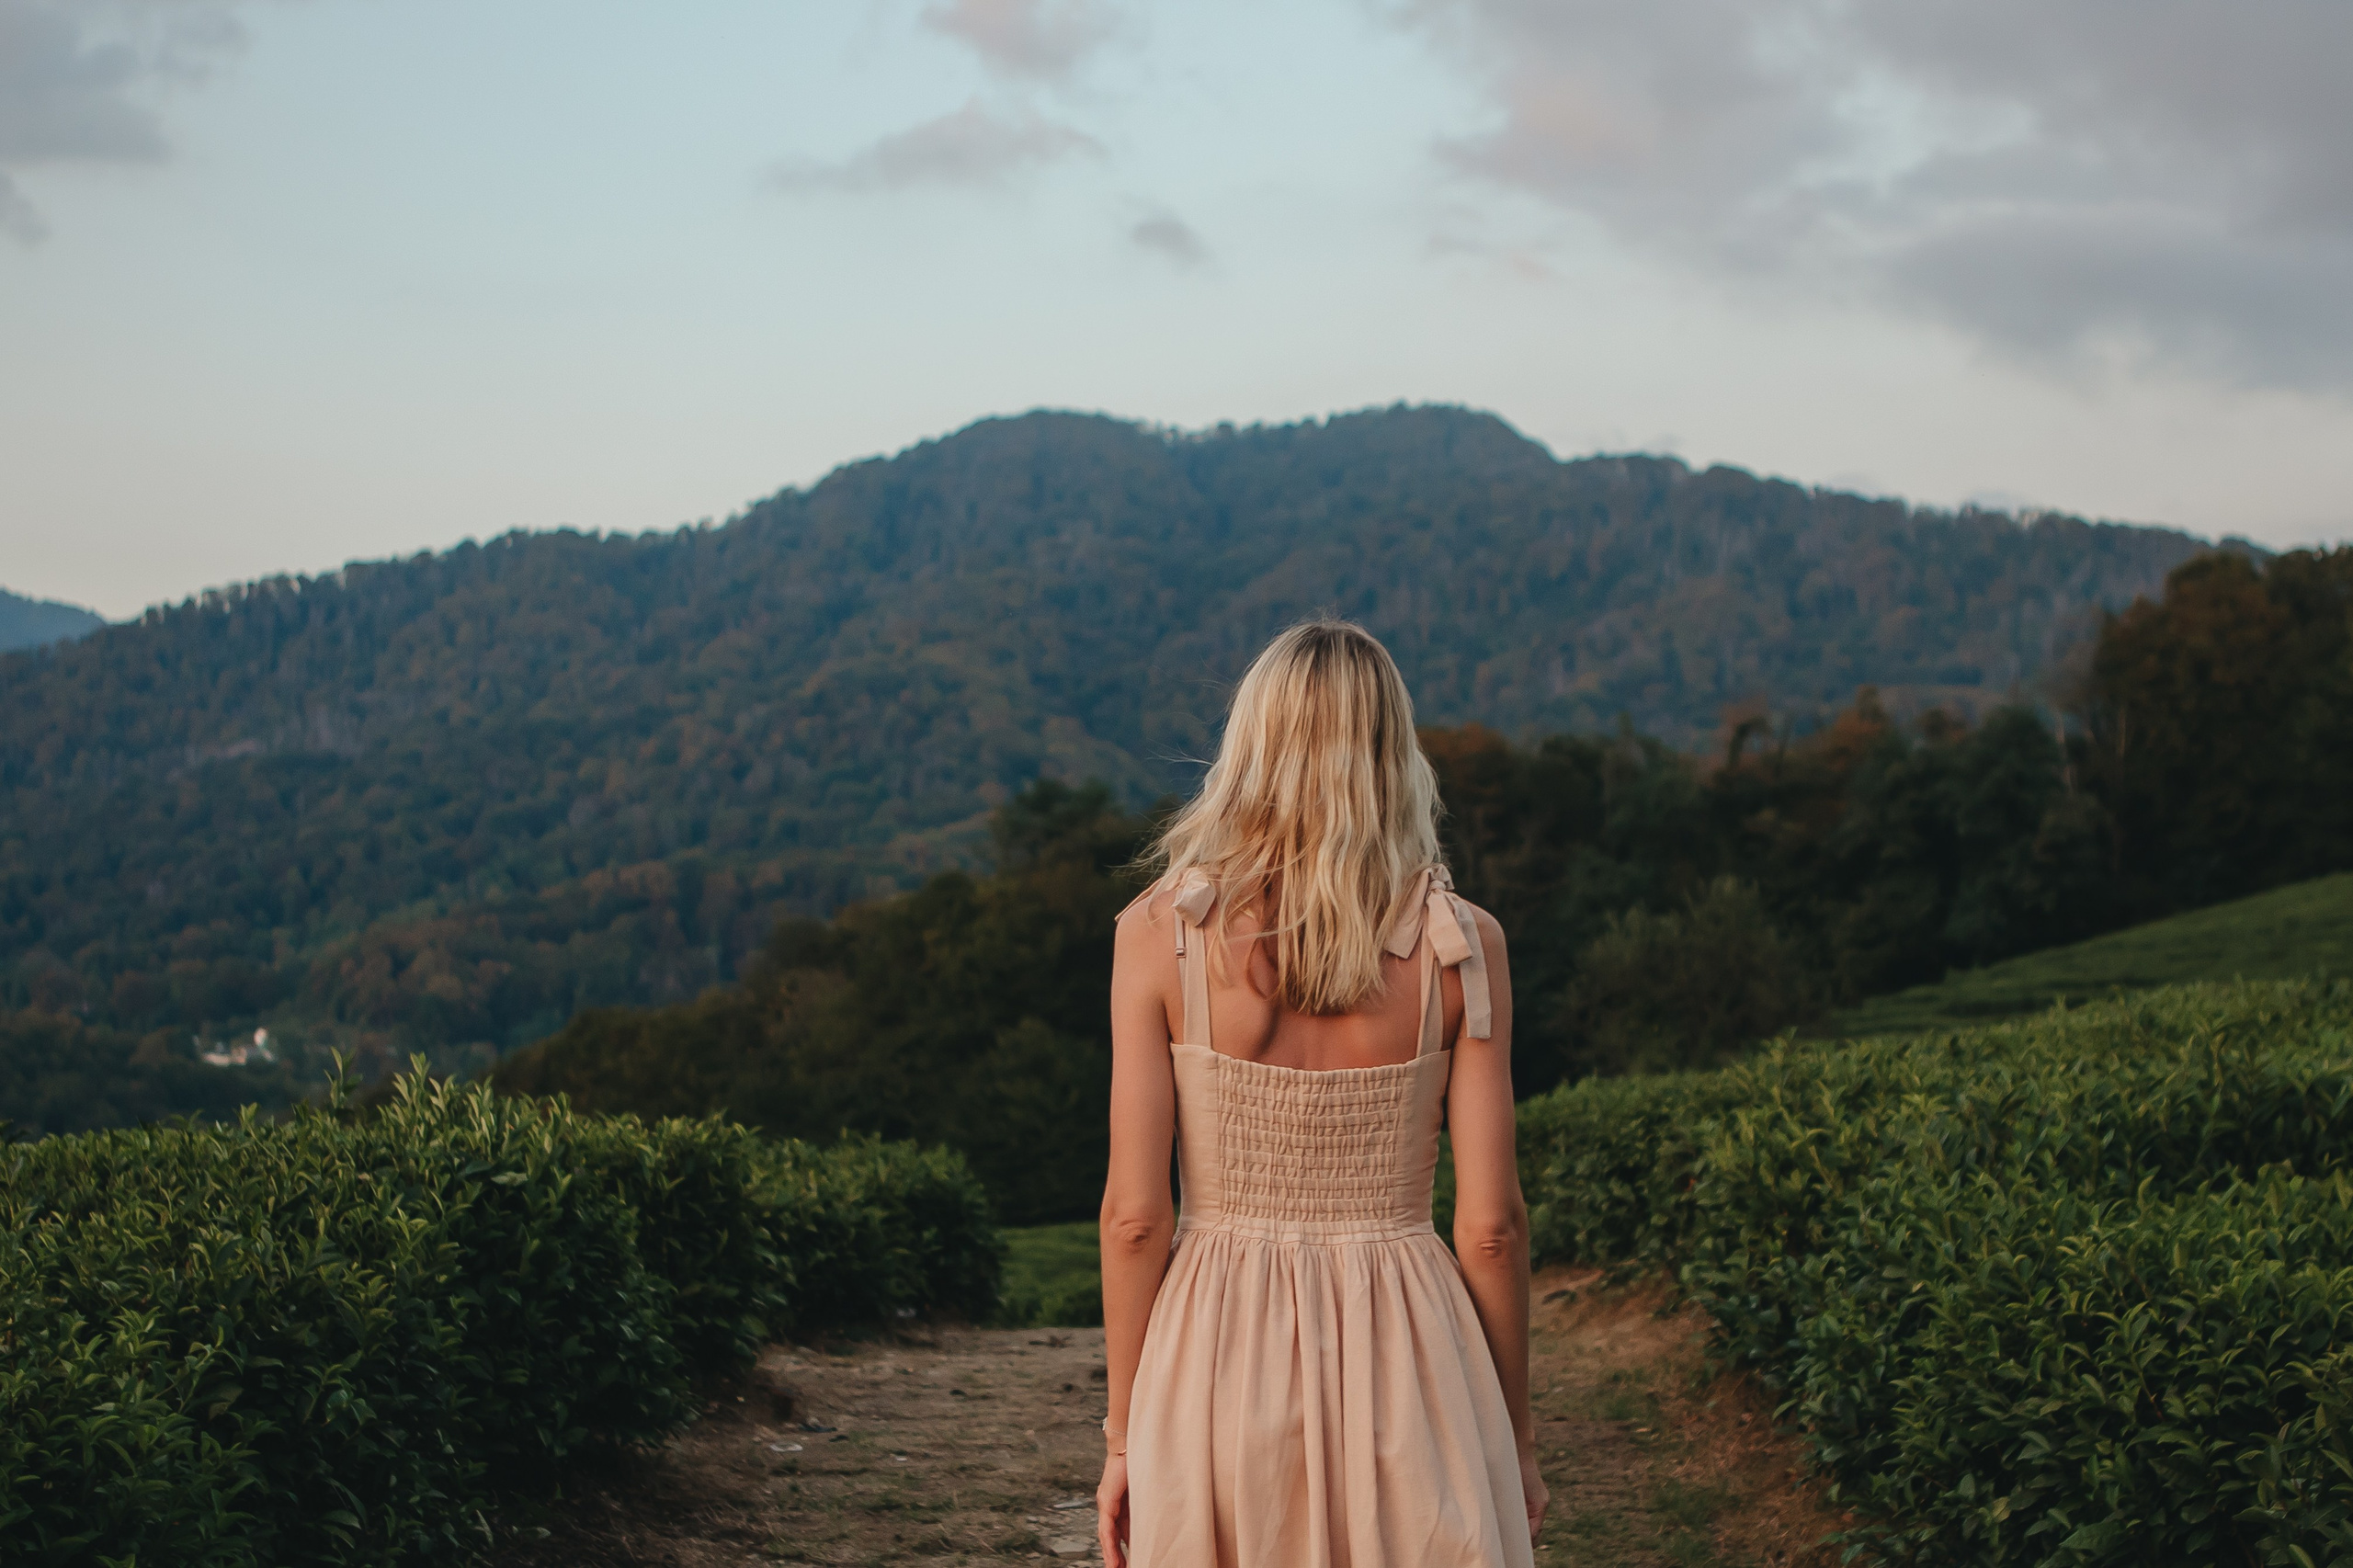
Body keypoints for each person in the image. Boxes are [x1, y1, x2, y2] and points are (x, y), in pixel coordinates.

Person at [1095, 620, 1547, 1568]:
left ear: (1251, 748)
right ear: (1393, 753)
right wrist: (1516, 1439)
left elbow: (1135, 1218)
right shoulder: (1464, 945)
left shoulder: (1158, 934)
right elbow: (1491, 1229)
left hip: (1212, 1347)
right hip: (1411, 1351)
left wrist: (1123, 1438)